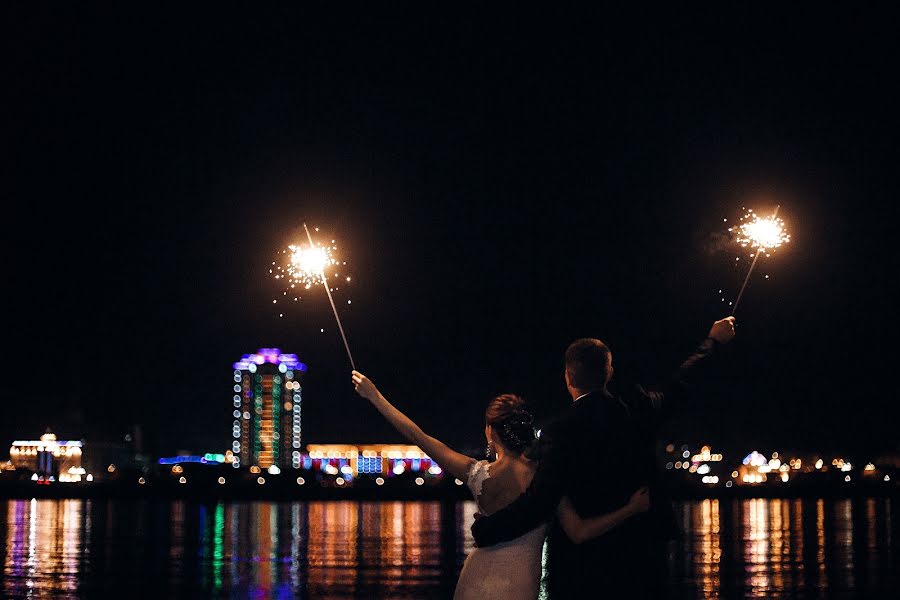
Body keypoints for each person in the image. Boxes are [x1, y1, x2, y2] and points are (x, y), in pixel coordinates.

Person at [470, 316, 737, 599]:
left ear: (568, 377)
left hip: (586, 567)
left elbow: (539, 501)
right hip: (642, 557)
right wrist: (713, 341)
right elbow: (681, 384)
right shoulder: (638, 411)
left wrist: (487, 529)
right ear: (609, 372)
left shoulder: (560, 432)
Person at [351, 372, 651, 599]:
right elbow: (579, 531)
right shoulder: (547, 477)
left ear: (490, 433)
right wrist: (631, 508)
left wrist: (375, 396)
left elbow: (418, 436)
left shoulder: (476, 473)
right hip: (520, 584)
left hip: (475, 579)